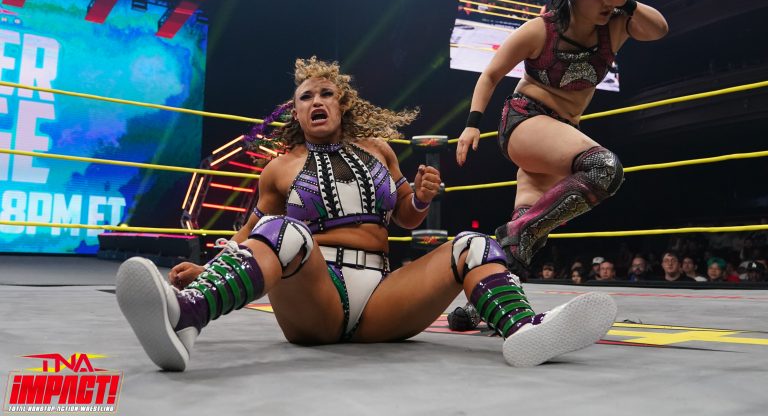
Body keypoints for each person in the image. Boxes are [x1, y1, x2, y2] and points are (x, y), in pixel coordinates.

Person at [116, 57, 617, 371]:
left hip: (381, 296)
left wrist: (420, 198)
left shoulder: (379, 150)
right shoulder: (279, 168)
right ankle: (187, 314)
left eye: (325, 94)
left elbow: (405, 217)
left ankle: (524, 331)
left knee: (475, 244)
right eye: (306, 97)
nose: (316, 101)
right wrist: (209, 270)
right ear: (296, 112)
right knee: (282, 230)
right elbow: (253, 231)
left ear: (342, 104)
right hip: (315, 296)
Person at [455, 0, 668, 272]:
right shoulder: (541, 30)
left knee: (522, 248)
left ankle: (488, 284)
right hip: (525, 121)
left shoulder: (615, 26)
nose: (607, 2)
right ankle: (517, 233)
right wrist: (472, 124)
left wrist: (625, 2)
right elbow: (491, 74)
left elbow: (659, 30)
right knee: (604, 168)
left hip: (561, 134)